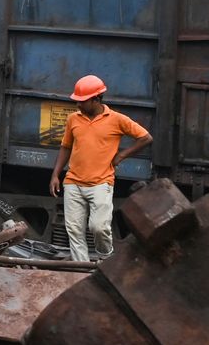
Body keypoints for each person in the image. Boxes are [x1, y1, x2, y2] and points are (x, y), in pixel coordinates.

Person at [48, 74, 152, 262]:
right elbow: (65, 147)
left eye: (82, 101)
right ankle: (81, 271)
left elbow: (145, 138)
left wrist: (121, 155)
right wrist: (55, 174)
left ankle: (106, 261)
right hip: (73, 182)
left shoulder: (117, 120)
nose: (78, 105)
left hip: (101, 183)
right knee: (75, 230)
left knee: (98, 227)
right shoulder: (73, 119)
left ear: (96, 99)